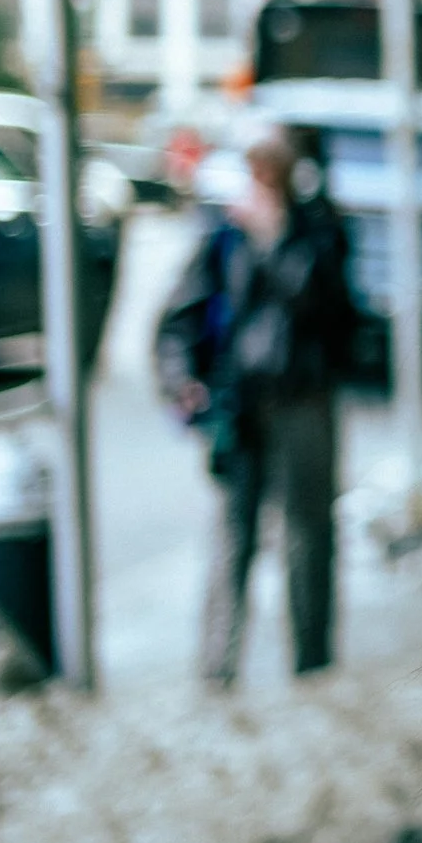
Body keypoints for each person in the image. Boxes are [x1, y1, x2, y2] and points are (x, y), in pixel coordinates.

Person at [156, 128, 357, 686]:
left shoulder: (320, 233)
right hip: (239, 401)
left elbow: (328, 307)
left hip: (304, 398)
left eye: (275, 164)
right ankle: (216, 669)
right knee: (232, 535)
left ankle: (312, 666)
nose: (265, 175)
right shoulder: (224, 235)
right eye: (257, 164)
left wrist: (277, 235)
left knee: (307, 535)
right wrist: (182, 381)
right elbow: (178, 317)